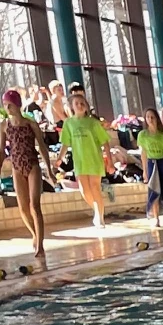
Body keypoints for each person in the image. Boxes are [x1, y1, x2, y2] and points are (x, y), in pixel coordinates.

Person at [0, 89, 55, 261]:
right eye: (5, 105)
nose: (7, 108)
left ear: (18, 105)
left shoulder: (30, 124)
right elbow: (0, 149)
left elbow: (42, 147)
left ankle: (41, 245)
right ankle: (35, 234)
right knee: (22, 207)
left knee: (34, 205)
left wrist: (49, 170)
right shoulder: (4, 125)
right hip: (16, 167)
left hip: (32, 165)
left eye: (10, 105)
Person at [59, 91, 112, 227]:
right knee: (84, 190)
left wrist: (110, 162)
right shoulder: (69, 124)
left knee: (95, 187)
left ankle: (100, 217)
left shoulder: (93, 123)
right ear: (72, 106)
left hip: (94, 159)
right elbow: (65, 142)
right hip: (80, 161)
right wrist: (60, 158)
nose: (80, 105)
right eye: (77, 103)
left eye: (82, 103)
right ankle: (96, 210)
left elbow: (105, 142)